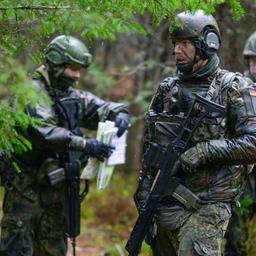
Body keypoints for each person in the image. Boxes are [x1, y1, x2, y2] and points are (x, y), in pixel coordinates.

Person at [136, 10, 256, 256]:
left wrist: (204, 151)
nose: (176, 51)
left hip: (207, 205)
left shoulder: (233, 88)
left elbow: (253, 143)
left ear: (205, 45)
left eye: (184, 44)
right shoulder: (168, 89)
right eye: (174, 44)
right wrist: (144, 193)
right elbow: (150, 148)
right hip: (165, 201)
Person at [0, 35, 130, 256]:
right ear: (56, 64)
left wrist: (120, 113)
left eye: (79, 69)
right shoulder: (30, 93)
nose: (77, 75)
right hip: (26, 189)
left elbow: (103, 107)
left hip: (57, 192)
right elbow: (44, 132)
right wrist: (86, 144)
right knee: (17, 248)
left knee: (54, 249)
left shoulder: (70, 95)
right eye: (72, 68)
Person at [224, 31, 256, 256]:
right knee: (237, 240)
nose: (255, 68)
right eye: (253, 61)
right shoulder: (239, 90)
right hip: (245, 179)